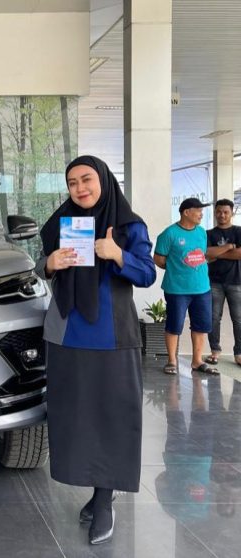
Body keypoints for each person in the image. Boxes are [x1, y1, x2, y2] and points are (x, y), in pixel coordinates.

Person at [37, 155, 155, 545]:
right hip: (66, 334)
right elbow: (43, 267)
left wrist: (117, 254)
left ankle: (105, 499)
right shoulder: (59, 222)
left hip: (111, 337)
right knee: (76, 417)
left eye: (86, 179)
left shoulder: (128, 225)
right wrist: (49, 264)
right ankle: (96, 490)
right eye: (72, 182)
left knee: (112, 416)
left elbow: (147, 273)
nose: (80, 188)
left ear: (103, 179)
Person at [154, 198, 218, 375]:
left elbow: (202, 255)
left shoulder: (201, 232)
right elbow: (158, 259)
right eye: (198, 210)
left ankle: (197, 361)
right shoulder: (169, 234)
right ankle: (172, 361)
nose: (201, 214)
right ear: (186, 212)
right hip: (177, 289)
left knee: (201, 325)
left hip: (202, 288)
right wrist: (176, 269)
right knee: (174, 325)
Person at [205, 198, 241, 366]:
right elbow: (207, 254)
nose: (222, 215)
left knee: (238, 319)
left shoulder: (239, 231)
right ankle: (215, 351)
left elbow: (240, 254)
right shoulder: (209, 234)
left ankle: (239, 353)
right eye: (219, 212)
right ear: (215, 213)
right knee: (213, 318)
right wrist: (228, 247)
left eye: (226, 212)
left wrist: (217, 253)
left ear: (231, 213)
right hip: (214, 282)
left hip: (236, 281)